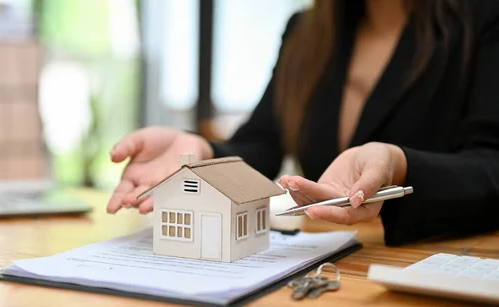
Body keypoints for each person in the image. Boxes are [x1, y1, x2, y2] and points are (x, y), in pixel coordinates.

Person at [107, 0, 499, 246]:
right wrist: (202, 152)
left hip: (433, 270)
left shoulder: (484, 19)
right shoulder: (305, 32)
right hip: (324, 269)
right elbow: (261, 144)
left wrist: (398, 163)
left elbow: (491, 164)